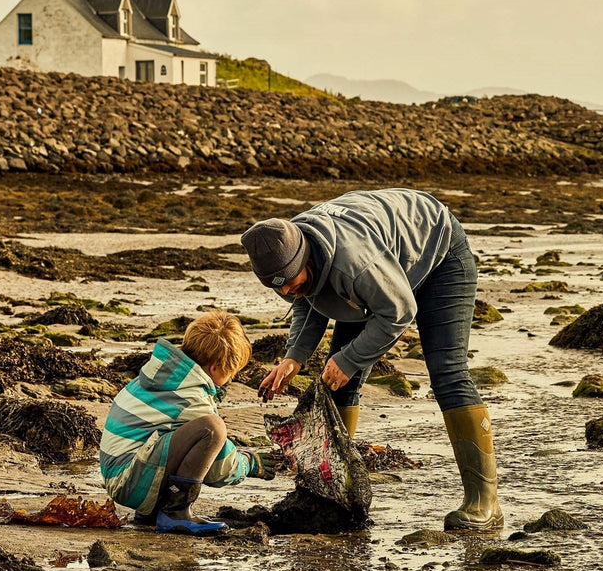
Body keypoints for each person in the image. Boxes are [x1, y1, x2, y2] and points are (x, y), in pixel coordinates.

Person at [240, 188, 503, 531]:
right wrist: (294, 358)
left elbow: (399, 312)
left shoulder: (355, 263)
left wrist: (350, 360)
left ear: (305, 257)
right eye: (278, 288)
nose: (286, 292)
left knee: (447, 373)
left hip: (439, 255)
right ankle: (333, 491)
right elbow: (309, 297)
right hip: (383, 267)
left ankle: (485, 503)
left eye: (289, 282)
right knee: (334, 382)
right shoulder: (287, 251)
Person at [99, 311, 275, 536]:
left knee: (194, 431)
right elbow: (218, 468)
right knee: (212, 429)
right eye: (230, 373)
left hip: (122, 474)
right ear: (214, 368)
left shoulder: (165, 375)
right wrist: (249, 464)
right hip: (128, 482)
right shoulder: (190, 396)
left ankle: (154, 510)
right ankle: (175, 513)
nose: (231, 379)